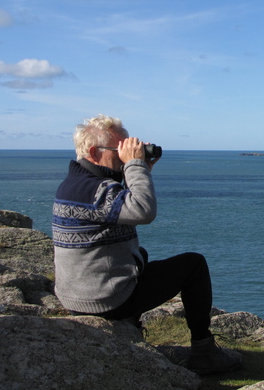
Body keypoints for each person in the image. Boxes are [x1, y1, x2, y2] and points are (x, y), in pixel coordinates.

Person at [52, 114, 241, 375]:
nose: (123, 156)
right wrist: (136, 166)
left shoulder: (75, 185)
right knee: (193, 265)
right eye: (118, 150)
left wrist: (141, 170)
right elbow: (143, 211)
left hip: (78, 295)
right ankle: (204, 352)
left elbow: (122, 206)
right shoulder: (95, 190)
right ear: (95, 152)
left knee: (140, 254)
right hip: (106, 300)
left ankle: (131, 325)